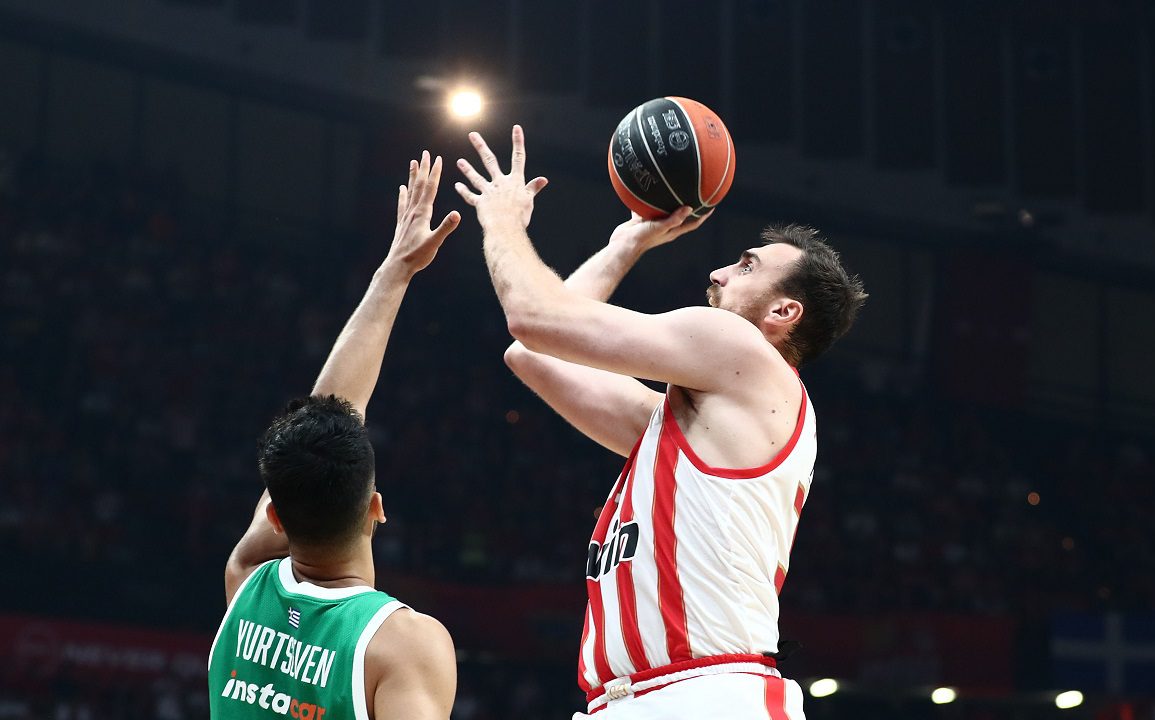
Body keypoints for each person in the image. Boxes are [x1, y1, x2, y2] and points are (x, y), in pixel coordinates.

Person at [454, 126, 866, 719]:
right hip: (634, 698)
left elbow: (532, 317)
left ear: (784, 311)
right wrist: (626, 243)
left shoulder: (739, 347)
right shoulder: (685, 427)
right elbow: (533, 355)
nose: (719, 272)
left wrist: (503, 222)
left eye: (746, 266)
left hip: (706, 694)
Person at [208, 152, 462, 720]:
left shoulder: (246, 581)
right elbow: (333, 411)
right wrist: (396, 273)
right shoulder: (402, 645)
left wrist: (393, 272)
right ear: (375, 508)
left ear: (275, 517)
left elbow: (326, 416)